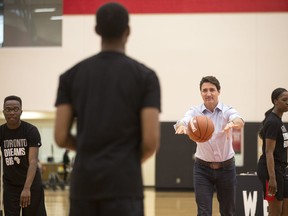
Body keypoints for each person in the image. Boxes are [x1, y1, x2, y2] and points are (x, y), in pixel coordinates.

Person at [54, 2, 161, 216]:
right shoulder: (146, 77)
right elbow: (150, 142)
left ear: (96, 30)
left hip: (84, 184)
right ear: (127, 31)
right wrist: (126, 159)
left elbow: (61, 137)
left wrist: (87, 149)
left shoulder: (70, 76)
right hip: (125, 185)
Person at [174, 76, 244, 216]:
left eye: (212, 90)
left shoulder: (226, 110)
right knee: (203, 212)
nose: (208, 93)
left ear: (219, 92)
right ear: (201, 93)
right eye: (204, 90)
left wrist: (234, 123)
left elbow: (238, 119)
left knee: (228, 211)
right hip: (202, 169)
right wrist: (181, 126)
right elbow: (183, 120)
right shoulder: (195, 112)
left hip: (226, 168)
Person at [0, 95, 47, 216]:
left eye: (15, 109)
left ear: (21, 111)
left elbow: (33, 161)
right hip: (10, 185)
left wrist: (26, 188)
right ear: (3, 111)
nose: (12, 112)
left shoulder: (31, 130)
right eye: (8, 109)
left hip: (31, 184)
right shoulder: (1, 132)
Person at [257, 88, 288, 215]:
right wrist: (272, 178)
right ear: (275, 101)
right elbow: (269, 152)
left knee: (285, 211)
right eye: (284, 100)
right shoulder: (273, 122)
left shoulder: (279, 121)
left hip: (281, 169)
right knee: (276, 212)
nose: (287, 102)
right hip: (271, 171)